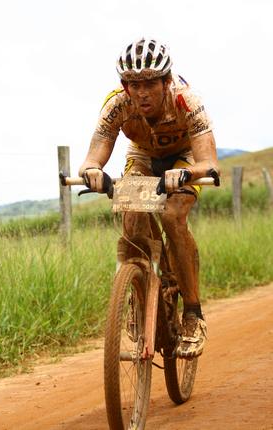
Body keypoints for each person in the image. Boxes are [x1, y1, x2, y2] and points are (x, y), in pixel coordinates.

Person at [78, 38, 219, 358]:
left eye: (150, 84)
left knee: (172, 215)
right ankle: (138, 292)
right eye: (132, 84)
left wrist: (186, 174)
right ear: (125, 85)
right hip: (142, 155)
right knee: (131, 210)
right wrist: (91, 170)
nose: (141, 93)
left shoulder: (187, 100)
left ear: (166, 82)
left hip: (184, 158)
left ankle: (193, 314)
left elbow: (209, 162)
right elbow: (93, 155)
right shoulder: (117, 104)